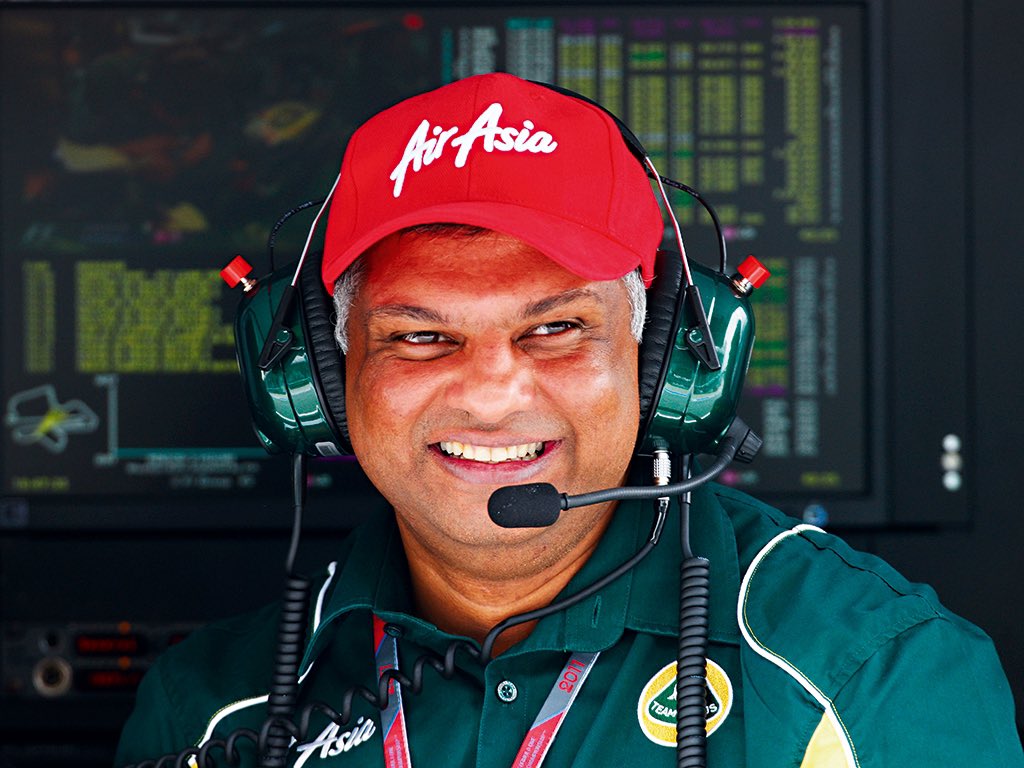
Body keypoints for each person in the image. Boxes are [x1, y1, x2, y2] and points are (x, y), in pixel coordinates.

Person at [115, 73, 1023, 767]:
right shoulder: (209, 714)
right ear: (319, 378)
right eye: (421, 335)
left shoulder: (872, 675)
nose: (491, 393)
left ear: (667, 362)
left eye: (555, 328)